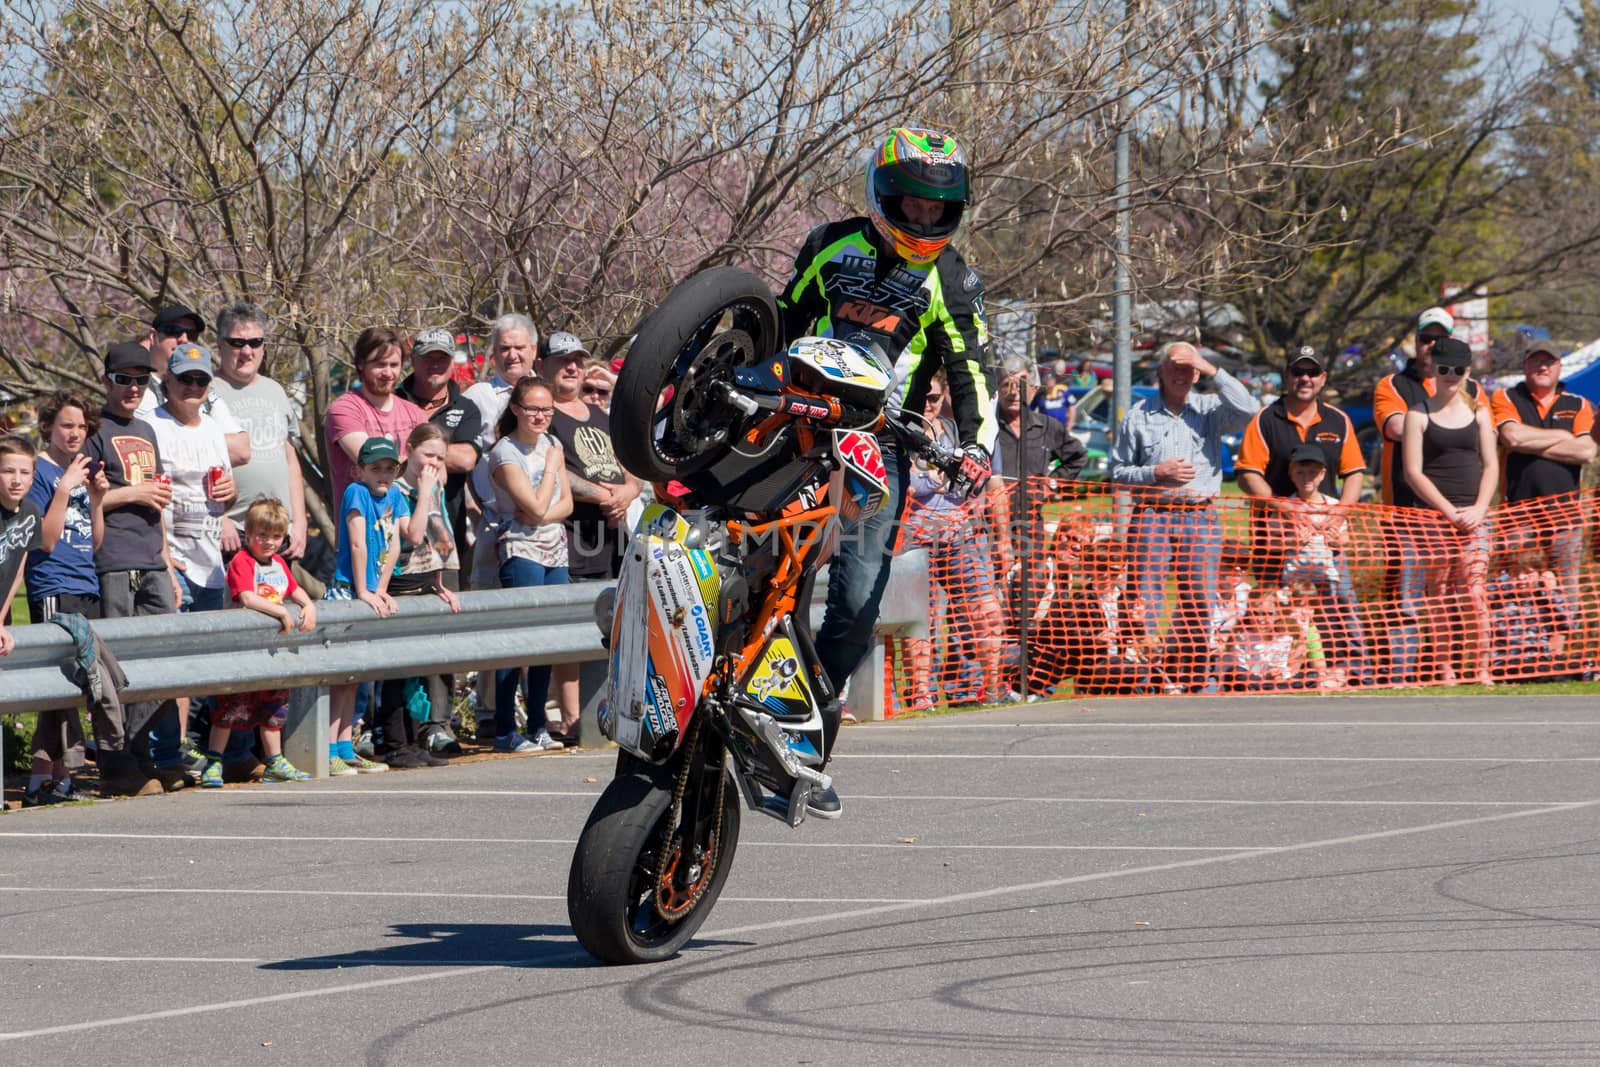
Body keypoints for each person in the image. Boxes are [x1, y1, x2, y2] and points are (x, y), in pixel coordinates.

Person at [775, 127, 995, 815]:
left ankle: (806, 727)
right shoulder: (827, 243)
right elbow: (783, 315)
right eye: (914, 203)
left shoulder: (951, 277)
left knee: (859, 596)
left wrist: (980, 447)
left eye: (939, 208)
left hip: (881, 439)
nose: (926, 219)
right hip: (796, 424)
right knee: (760, 548)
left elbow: (973, 369)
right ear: (883, 193)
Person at [1110, 341, 1257, 691]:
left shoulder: (1210, 410)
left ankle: (1194, 676)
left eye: (1188, 368)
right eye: (1175, 365)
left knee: (1200, 598)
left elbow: (1251, 409)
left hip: (1200, 516)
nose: (1182, 373)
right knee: (1145, 597)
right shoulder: (1138, 415)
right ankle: (1144, 678)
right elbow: (1117, 471)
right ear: (1160, 371)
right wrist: (1154, 473)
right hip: (1152, 514)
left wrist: (1208, 367)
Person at [83, 341, 184, 796]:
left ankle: (141, 751)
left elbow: (157, 497)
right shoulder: (93, 430)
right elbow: (85, 499)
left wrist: (166, 560)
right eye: (124, 379)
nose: (133, 388)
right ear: (107, 380)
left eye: (142, 380)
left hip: (151, 559)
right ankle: (115, 760)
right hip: (113, 558)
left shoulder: (146, 428)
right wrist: (133, 494)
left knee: (163, 658)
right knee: (115, 664)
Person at [542, 330, 640, 743]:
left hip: (613, 535)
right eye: (562, 360)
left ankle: (607, 708)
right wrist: (604, 495)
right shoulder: (546, 415)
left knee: (613, 623)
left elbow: (632, 467)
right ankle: (569, 718)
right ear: (542, 366)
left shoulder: (601, 415)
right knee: (573, 626)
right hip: (571, 534)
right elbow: (555, 468)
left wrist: (628, 492)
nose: (571, 367)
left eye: (577, 360)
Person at [900, 371, 1004, 710]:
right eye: (922, 398)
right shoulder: (900, 434)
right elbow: (905, 485)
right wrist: (931, 478)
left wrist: (1003, 538)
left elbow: (991, 482)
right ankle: (921, 695)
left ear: (944, 396)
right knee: (920, 618)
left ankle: (990, 689)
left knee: (985, 611)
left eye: (933, 398)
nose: (927, 406)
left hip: (960, 533)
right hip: (912, 537)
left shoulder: (959, 435)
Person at [21, 393, 104, 804]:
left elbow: (95, 542)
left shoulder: (80, 473)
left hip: (85, 584)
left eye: (81, 427)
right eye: (66, 425)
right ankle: (44, 779)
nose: (74, 433)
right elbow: (46, 540)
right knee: (57, 688)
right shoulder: (40, 471)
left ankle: (59, 777)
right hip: (54, 586)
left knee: (72, 687)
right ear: (49, 427)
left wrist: (97, 497)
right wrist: (64, 489)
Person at [1400, 336, 1497, 686]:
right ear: (1432, 370)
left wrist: (1479, 509)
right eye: (1444, 369)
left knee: (1474, 591)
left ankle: (1483, 667)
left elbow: (1491, 466)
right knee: (1438, 595)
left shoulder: (1480, 413)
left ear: (1468, 372)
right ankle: (1445, 667)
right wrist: (1447, 511)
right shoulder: (1418, 413)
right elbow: (1413, 471)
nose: (1451, 376)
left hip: (1475, 515)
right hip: (1434, 517)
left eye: (1458, 370)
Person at [990, 354, 1087, 697]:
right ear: (997, 388)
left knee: (1027, 608)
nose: (1014, 392)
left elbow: (1077, 456)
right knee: (990, 607)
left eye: (1020, 385)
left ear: (1032, 388)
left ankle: (1024, 682)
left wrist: (1054, 484)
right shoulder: (986, 426)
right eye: (1006, 384)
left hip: (1031, 527)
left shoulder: (1047, 426)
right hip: (986, 529)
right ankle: (985, 683)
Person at [483, 377, 571, 753]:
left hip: (555, 550)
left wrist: (542, 514)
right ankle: (505, 730)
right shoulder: (505, 453)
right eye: (533, 409)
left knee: (549, 642)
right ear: (516, 409)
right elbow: (533, 508)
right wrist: (551, 469)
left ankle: (538, 725)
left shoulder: (554, 444)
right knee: (519, 641)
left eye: (547, 410)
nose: (540, 416)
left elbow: (564, 505)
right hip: (522, 550)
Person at [208, 497, 318, 786]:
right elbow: (246, 596)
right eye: (262, 535)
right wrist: (281, 611)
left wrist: (308, 606)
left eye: (276, 536)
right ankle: (214, 761)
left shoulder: (280, 563)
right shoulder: (241, 562)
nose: (269, 542)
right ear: (249, 533)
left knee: (272, 708)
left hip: (271, 651)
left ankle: (274, 761)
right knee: (230, 707)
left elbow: (294, 590)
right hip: (242, 650)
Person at [1490, 340, 1595, 634]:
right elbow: (1512, 438)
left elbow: (1587, 451)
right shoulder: (1507, 397)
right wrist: (1563, 436)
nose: (1543, 367)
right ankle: (1518, 649)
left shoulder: (1578, 404)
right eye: (1536, 361)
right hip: (1518, 515)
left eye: (1549, 361)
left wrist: (1533, 444)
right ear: (1525, 366)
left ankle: (1558, 656)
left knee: (1565, 588)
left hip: (1566, 516)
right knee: (1516, 584)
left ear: (1560, 367)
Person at [323, 436, 410, 775]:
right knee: (341, 675)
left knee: (355, 675)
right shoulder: (355, 493)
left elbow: (394, 544)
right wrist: (363, 589)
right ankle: (328, 747)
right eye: (376, 469)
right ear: (360, 470)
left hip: (371, 590)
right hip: (349, 590)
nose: (384, 476)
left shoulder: (395, 495)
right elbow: (357, 543)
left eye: (390, 469)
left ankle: (345, 747)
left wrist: (382, 588)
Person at [374, 423, 459, 767]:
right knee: (398, 669)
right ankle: (394, 743)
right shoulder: (397, 489)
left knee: (420, 670)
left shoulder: (434, 485)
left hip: (426, 580)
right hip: (399, 582)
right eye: (427, 455)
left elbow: (438, 538)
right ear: (408, 451)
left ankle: (418, 738)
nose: (433, 463)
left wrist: (441, 584)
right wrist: (424, 491)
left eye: (440, 457)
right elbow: (413, 535)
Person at [212, 300, 307, 561]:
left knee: (278, 601)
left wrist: (299, 523)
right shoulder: (205, 392)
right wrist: (217, 518)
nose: (247, 351)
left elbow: (290, 461)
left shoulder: (276, 391)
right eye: (237, 343)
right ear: (220, 344)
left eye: (255, 342)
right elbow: (192, 463)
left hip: (278, 533)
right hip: (234, 533)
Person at [1275, 443, 1371, 682]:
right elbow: (1275, 542)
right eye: (1300, 472)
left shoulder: (1333, 506)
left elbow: (1345, 541)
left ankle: (1342, 668)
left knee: (1333, 622)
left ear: (1322, 474)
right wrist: (1292, 539)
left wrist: (1338, 539)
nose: (1306, 478)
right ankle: (1296, 670)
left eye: (1311, 472)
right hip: (1294, 580)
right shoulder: (1287, 507)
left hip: (1328, 576)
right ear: (1291, 473)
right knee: (1298, 626)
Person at [1236, 346, 1365, 504]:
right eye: (1298, 372)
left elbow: (1354, 474)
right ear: (1286, 376)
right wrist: (1285, 508)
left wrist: (1339, 514)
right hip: (1273, 524)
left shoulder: (1339, 420)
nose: (1305, 378)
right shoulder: (1264, 419)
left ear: (1323, 378)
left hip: (1325, 525)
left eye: (1313, 373)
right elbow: (1247, 475)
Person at [396, 326, 483, 561]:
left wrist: (411, 452)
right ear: (413, 359)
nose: (435, 364)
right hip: (395, 532)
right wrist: (441, 457)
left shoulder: (466, 407)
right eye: (427, 358)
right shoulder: (393, 401)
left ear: (452, 361)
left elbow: (466, 459)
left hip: (446, 535)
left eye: (442, 358)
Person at [135, 304, 251, 469]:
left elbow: (241, 451)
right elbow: (151, 448)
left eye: (191, 334)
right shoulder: (136, 389)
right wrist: (210, 444)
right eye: (173, 331)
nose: (183, 339)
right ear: (153, 336)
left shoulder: (203, 391)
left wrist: (185, 441)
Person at [324, 326, 428, 505]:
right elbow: (374, 462)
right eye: (380, 364)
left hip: (410, 523)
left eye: (394, 365)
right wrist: (417, 460)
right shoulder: (344, 409)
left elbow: (437, 472)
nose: (388, 373)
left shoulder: (415, 414)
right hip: (363, 525)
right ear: (361, 364)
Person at [462, 314, 537, 456]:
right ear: (495, 352)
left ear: (533, 351)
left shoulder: (550, 394)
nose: (512, 355)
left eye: (519, 347)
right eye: (505, 348)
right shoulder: (477, 397)